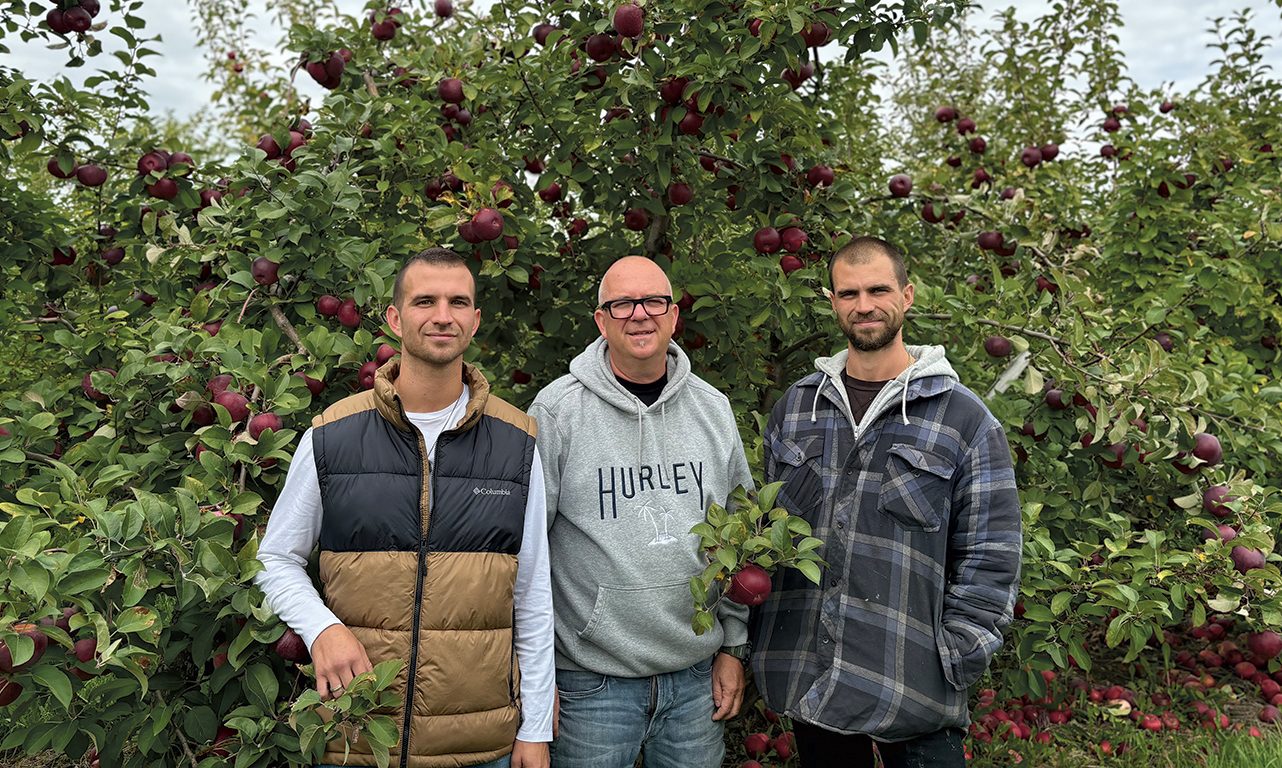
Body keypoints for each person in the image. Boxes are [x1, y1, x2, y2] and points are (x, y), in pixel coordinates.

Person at [256, 248, 554, 768]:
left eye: (458, 302)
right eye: (425, 301)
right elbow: (276, 557)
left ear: (475, 320)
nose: (443, 315)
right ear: (395, 318)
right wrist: (320, 628)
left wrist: (533, 729)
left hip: (480, 746)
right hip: (357, 737)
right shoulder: (332, 435)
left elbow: (531, 592)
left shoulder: (517, 440)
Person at [751, 237, 1021, 768]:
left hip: (912, 680)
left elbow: (993, 552)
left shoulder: (962, 418)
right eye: (848, 293)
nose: (864, 305)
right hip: (812, 677)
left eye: (878, 289)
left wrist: (959, 652)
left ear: (908, 295)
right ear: (832, 301)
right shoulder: (798, 408)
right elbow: (767, 530)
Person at [529, 256, 753, 768]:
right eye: (622, 304)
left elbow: (741, 540)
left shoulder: (712, 409)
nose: (639, 315)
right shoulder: (557, 412)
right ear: (601, 320)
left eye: (653, 301)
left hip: (696, 679)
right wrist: (536, 677)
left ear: (674, 315)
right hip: (590, 683)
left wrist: (732, 646)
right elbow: (527, 551)